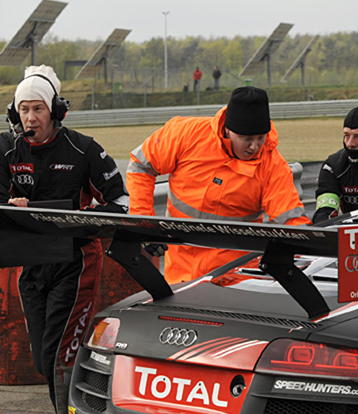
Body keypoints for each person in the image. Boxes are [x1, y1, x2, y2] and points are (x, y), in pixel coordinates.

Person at [0, 65, 129, 414]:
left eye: (38, 109)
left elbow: (120, 204)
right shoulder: (1, 150)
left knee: (61, 355)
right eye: (23, 109)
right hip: (31, 264)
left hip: (76, 263)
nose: (31, 118)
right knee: (44, 359)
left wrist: (65, 217)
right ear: (14, 113)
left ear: (56, 111)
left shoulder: (85, 150)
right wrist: (12, 211)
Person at [126, 86, 309, 283]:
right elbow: (140, 165)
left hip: (235, 277)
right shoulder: (186, 134)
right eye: (246, 139)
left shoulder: (273, 165)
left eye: (260, 138)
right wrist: (143, 223)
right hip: (179, 273)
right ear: (228, 130)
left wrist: (310, 249)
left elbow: (290, 220)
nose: (255, 146)